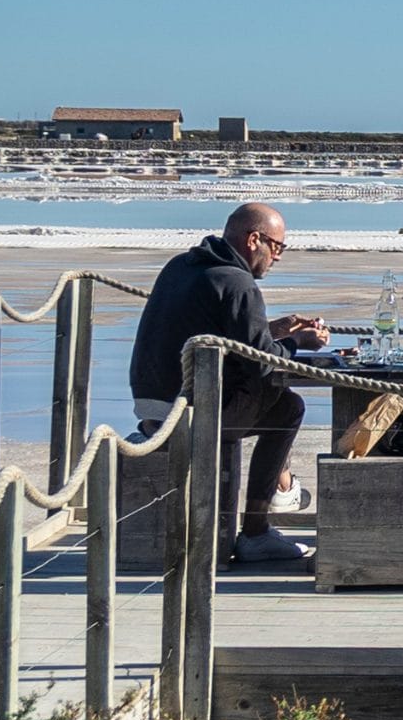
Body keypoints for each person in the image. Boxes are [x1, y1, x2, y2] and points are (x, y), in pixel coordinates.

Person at [127, 202, 328, 564]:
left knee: (267, 399)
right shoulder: (238, 283)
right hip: (189, 411)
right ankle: (256, 531)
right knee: (287, 406)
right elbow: (262, 366)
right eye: (278, 247)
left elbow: (217, 339)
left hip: (151, 403)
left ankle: (277, 492)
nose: (278, 257)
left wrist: (271, 331)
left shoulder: (181, 266)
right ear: (254, 239)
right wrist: (299, 343)